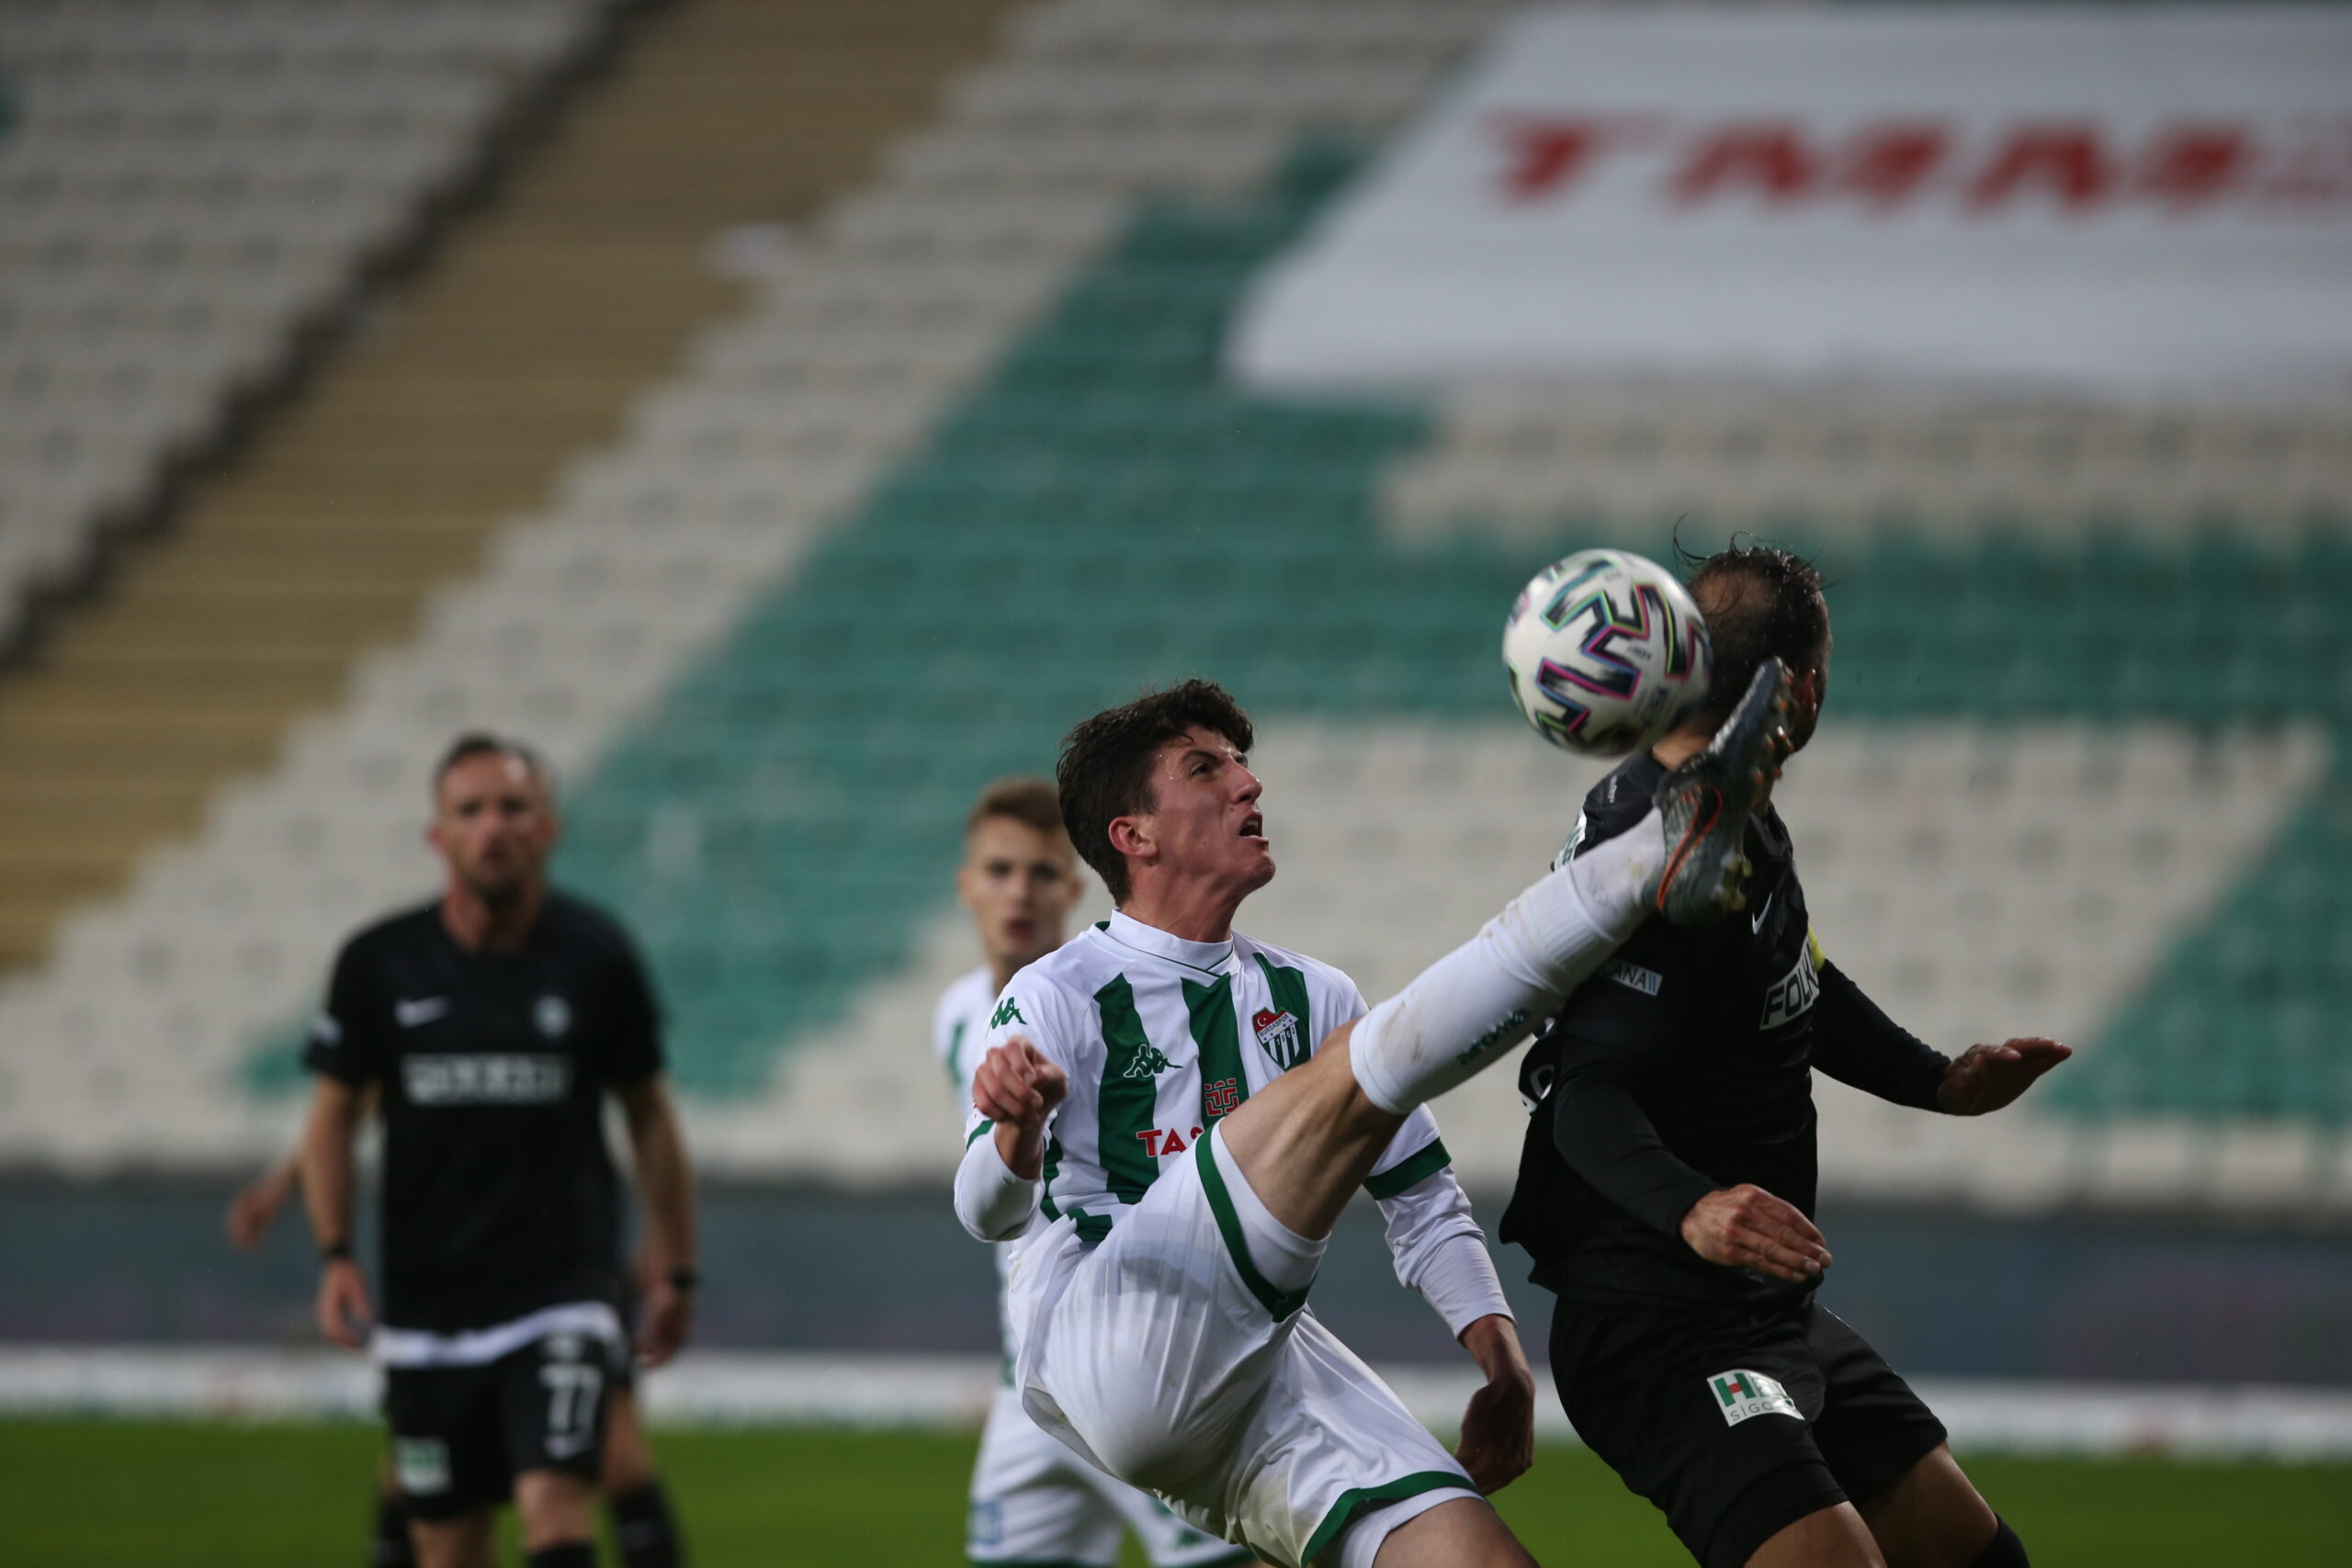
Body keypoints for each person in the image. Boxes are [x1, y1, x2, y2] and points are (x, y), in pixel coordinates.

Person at [956, 667, 1788, 1568]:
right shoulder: (1058, 990)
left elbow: (1424, 1203)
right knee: (1362, 1069)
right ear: (1134, 837)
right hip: (1100, 1338)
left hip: (1250, 1374)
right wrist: (1016, 1135)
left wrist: (1502, 1363)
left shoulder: (1308, 994)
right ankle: (1653, 852)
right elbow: (985, 1214)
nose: (1248, 782)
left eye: (1241, 763)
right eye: (1204, 770)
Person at [1499, 546, 2069, 1568]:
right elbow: (1582, 1093)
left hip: (1762, 1308)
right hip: (1658, 1323)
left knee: (1977, 1559)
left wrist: (1938, 1079)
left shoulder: (1732, 823)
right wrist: (1694, 1207)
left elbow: (1795, 978)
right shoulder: (1663, 850)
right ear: (1804, 685)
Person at [300, 734, 699, 1568]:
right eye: (470, 810)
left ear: (547, 827)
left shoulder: (595, 955)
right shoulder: (379, 963)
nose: (493, 828)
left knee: (556, 1502)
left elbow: (649, 1114)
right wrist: (336, 1251)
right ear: (437, 836)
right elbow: (332, 1115)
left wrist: (676, 1257)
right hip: (426, 1305)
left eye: (514, 808)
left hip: (560, 1291)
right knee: (447, 1545)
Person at [935, 776, 1265, 1568]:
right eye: (1000, 869)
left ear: (1074, 886)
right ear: (966, 885)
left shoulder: (1130, 1005)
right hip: (1031, 1383)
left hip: (1140, 1361)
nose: (1020, 891)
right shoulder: (956, 1014)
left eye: (1041, 872)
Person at [225, 1130, 687, 1568]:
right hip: (444, 1268)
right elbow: (342, 1098)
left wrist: (667, 1243)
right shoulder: (414, 1050)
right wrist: (284, 1183)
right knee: (419, 1481)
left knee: (609, 1457)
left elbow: (643, 1101)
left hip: (561, 1267)